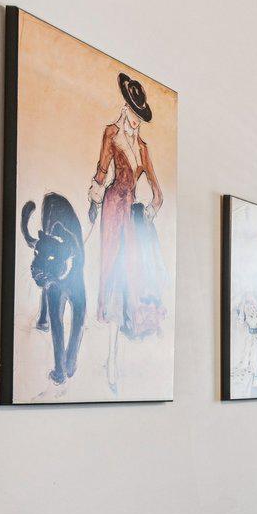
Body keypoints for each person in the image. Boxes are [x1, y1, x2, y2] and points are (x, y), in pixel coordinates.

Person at [86, 71, 166, 393]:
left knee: (128, 274)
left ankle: (116, 354)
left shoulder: (143, 148)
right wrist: (94, 193)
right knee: (113, 272)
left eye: (139, 116)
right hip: (111, 209)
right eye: (133, 113)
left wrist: (151, 208)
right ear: (125, 108)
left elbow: (158, 193)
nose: (136, 121)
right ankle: (111, 357)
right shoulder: (111, 133)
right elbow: (101, 171)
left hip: (130, 215)